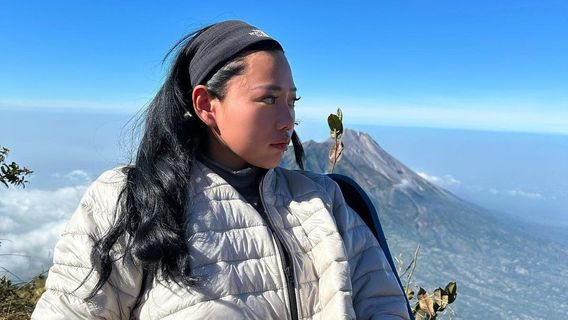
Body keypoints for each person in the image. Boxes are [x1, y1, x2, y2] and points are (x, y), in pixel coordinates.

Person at [32, 20, 411, 319]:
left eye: (291, 101)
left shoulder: (324, 198)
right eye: (268, 99)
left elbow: (382, 303)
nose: (288, 121)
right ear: (206, 104)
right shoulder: (129, 198)